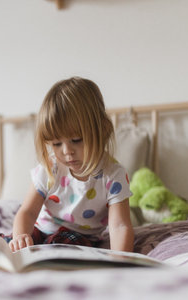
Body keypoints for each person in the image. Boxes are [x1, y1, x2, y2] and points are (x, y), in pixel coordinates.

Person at [8, 76, 134, 252]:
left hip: (79, 239)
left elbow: (120, 226)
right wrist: (20, 236)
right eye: (56, 144)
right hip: (41, 231)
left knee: (66, 246)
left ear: (103, 130)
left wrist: (121, 261)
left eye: (76, 140)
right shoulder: (50, 168)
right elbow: (27, 213)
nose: (66, 151)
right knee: (5, 243)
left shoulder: (113, 175)